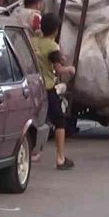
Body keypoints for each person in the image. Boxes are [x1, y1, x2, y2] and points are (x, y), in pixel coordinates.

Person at [34, 12, 76, 170]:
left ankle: (34, 152)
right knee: (59, 120)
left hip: (34, 88)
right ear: (56, 30)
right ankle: (60, 158)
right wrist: (70, 69)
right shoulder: (52, 46)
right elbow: (58, 70)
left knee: (38, 120)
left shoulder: (34, 41)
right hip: (47, 88)